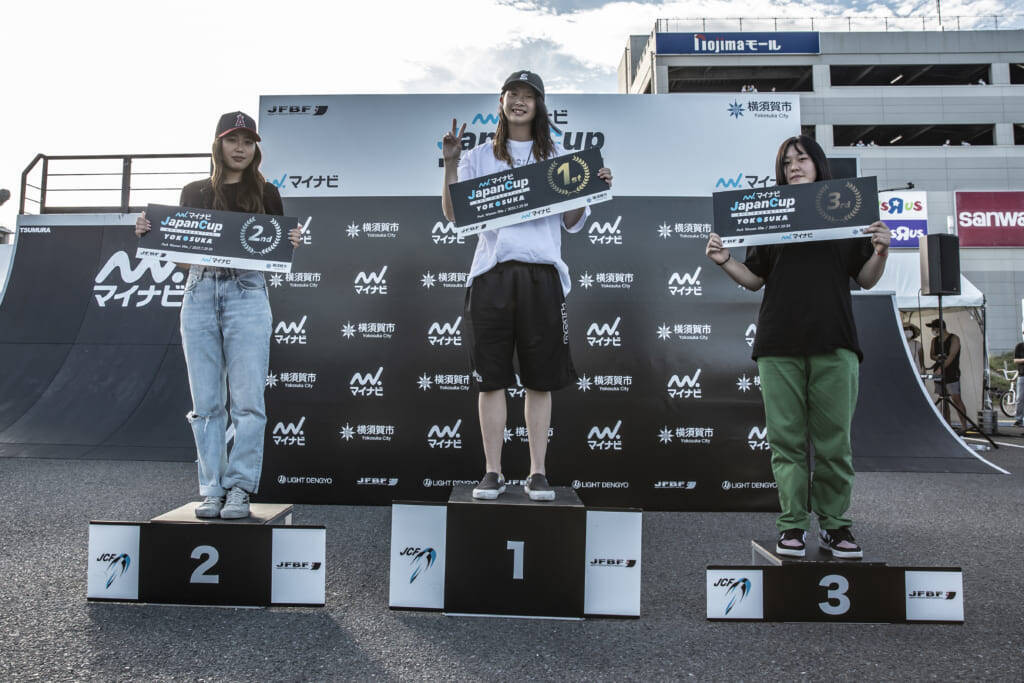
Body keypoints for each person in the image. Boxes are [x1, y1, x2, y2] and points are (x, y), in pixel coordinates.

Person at [704, 134, 891, 559]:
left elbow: (866, 278)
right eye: (787, 162)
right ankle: (792, 526)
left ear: (819, 164)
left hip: (835, 341)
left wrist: (882, 251)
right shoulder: (770, 215)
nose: (794, 167)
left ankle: (835, 526)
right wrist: (725, 260)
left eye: (802, 159)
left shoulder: (845, 209)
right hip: (778, 342)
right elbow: (755, 279)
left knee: (834, 444)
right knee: (786, 443)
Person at [440, 70, 612, 501]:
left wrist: (590, 188)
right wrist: (451, 163)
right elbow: (454, 214)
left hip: (542, 275)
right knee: (490, 380)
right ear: (500, 102)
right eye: (512, 94)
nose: (519, 101)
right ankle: (492, 472)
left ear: (539, 105)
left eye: (528, 96)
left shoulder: (559, 156)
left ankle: (538, 473)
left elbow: (571, 221)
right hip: (491, 274)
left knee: (540, 380)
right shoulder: (478, 155)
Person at [135, 111, 302, 519]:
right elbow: (181, 259)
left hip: (248, 291)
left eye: (247, 141)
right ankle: (212, 488)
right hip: (199, 290)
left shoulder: (267, 192)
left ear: (255, 148)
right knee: (206, 402)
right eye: (232, 140)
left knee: (248, 400)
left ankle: (240, 487)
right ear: (218, 144)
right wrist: (153, 235)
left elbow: (273, 254)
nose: (240, 148)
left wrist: (291, 243)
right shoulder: (193, 191)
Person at [927, 319, 966, 429]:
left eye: (933, 328)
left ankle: (964, 426)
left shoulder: (954, 338)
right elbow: (932, 355)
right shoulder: (934, 340)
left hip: (952, 373)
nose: (932, 330)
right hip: (939, 374)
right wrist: (938, 357)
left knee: (956, 400)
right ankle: (947, 426)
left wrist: (941, 368)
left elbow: (952, 356)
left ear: (939, 328)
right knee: (943, 400)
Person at [1014, 332, 1024, 427]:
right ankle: (1018, 419)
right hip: (1022, 375)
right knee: (1020, 399)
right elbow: (1015, 360)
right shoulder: (1019, 346)